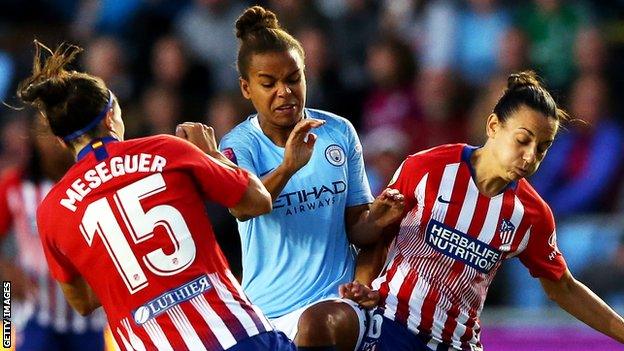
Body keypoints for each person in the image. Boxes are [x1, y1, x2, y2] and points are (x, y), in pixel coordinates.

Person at [18, 41, 295, 351]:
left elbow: (82, 302)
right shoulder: (167, 150)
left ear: (59, 140)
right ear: (111, 115)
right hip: (239, 336)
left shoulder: (52, 210)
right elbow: (259, 201)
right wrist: (214, 154)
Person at [341, 71, 624, 350]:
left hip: (459, 343)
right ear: (493, 126)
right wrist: (362, 287)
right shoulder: (427, 168)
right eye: (523, 140)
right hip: (393, 327)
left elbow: (563, 288)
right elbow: (376, 236)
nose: (530, 157)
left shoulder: (532, 214)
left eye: (542, 148)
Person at [216, 6, 404, 351]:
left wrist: (377, 218)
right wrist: (289, 166)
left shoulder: (338, 132)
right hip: (267, 313)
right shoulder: (238, 145)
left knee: (317, 324)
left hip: (334, 305)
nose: (284, 92)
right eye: (268, 83)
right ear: (246, 88)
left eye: (293, 78)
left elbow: (357, 230)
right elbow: (243, 208)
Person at [0, 114, 107, 350]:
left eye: (58, 129)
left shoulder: (99, 181)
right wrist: (5, 269)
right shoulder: (14, 186)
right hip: (33, 314)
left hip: (91, 320)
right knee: (6, 336)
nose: (52, 138)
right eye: (43, 131)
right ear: (33, 138)